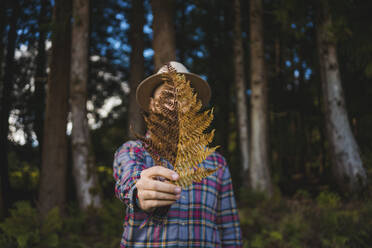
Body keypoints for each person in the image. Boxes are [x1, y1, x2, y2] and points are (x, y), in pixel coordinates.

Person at [113, 61, 243, 247]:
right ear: (152, 104)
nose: (174, 102)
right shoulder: (133, 151)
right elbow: (129, 177)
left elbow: (229, 230)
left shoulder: (217, 163)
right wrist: (139, 191)